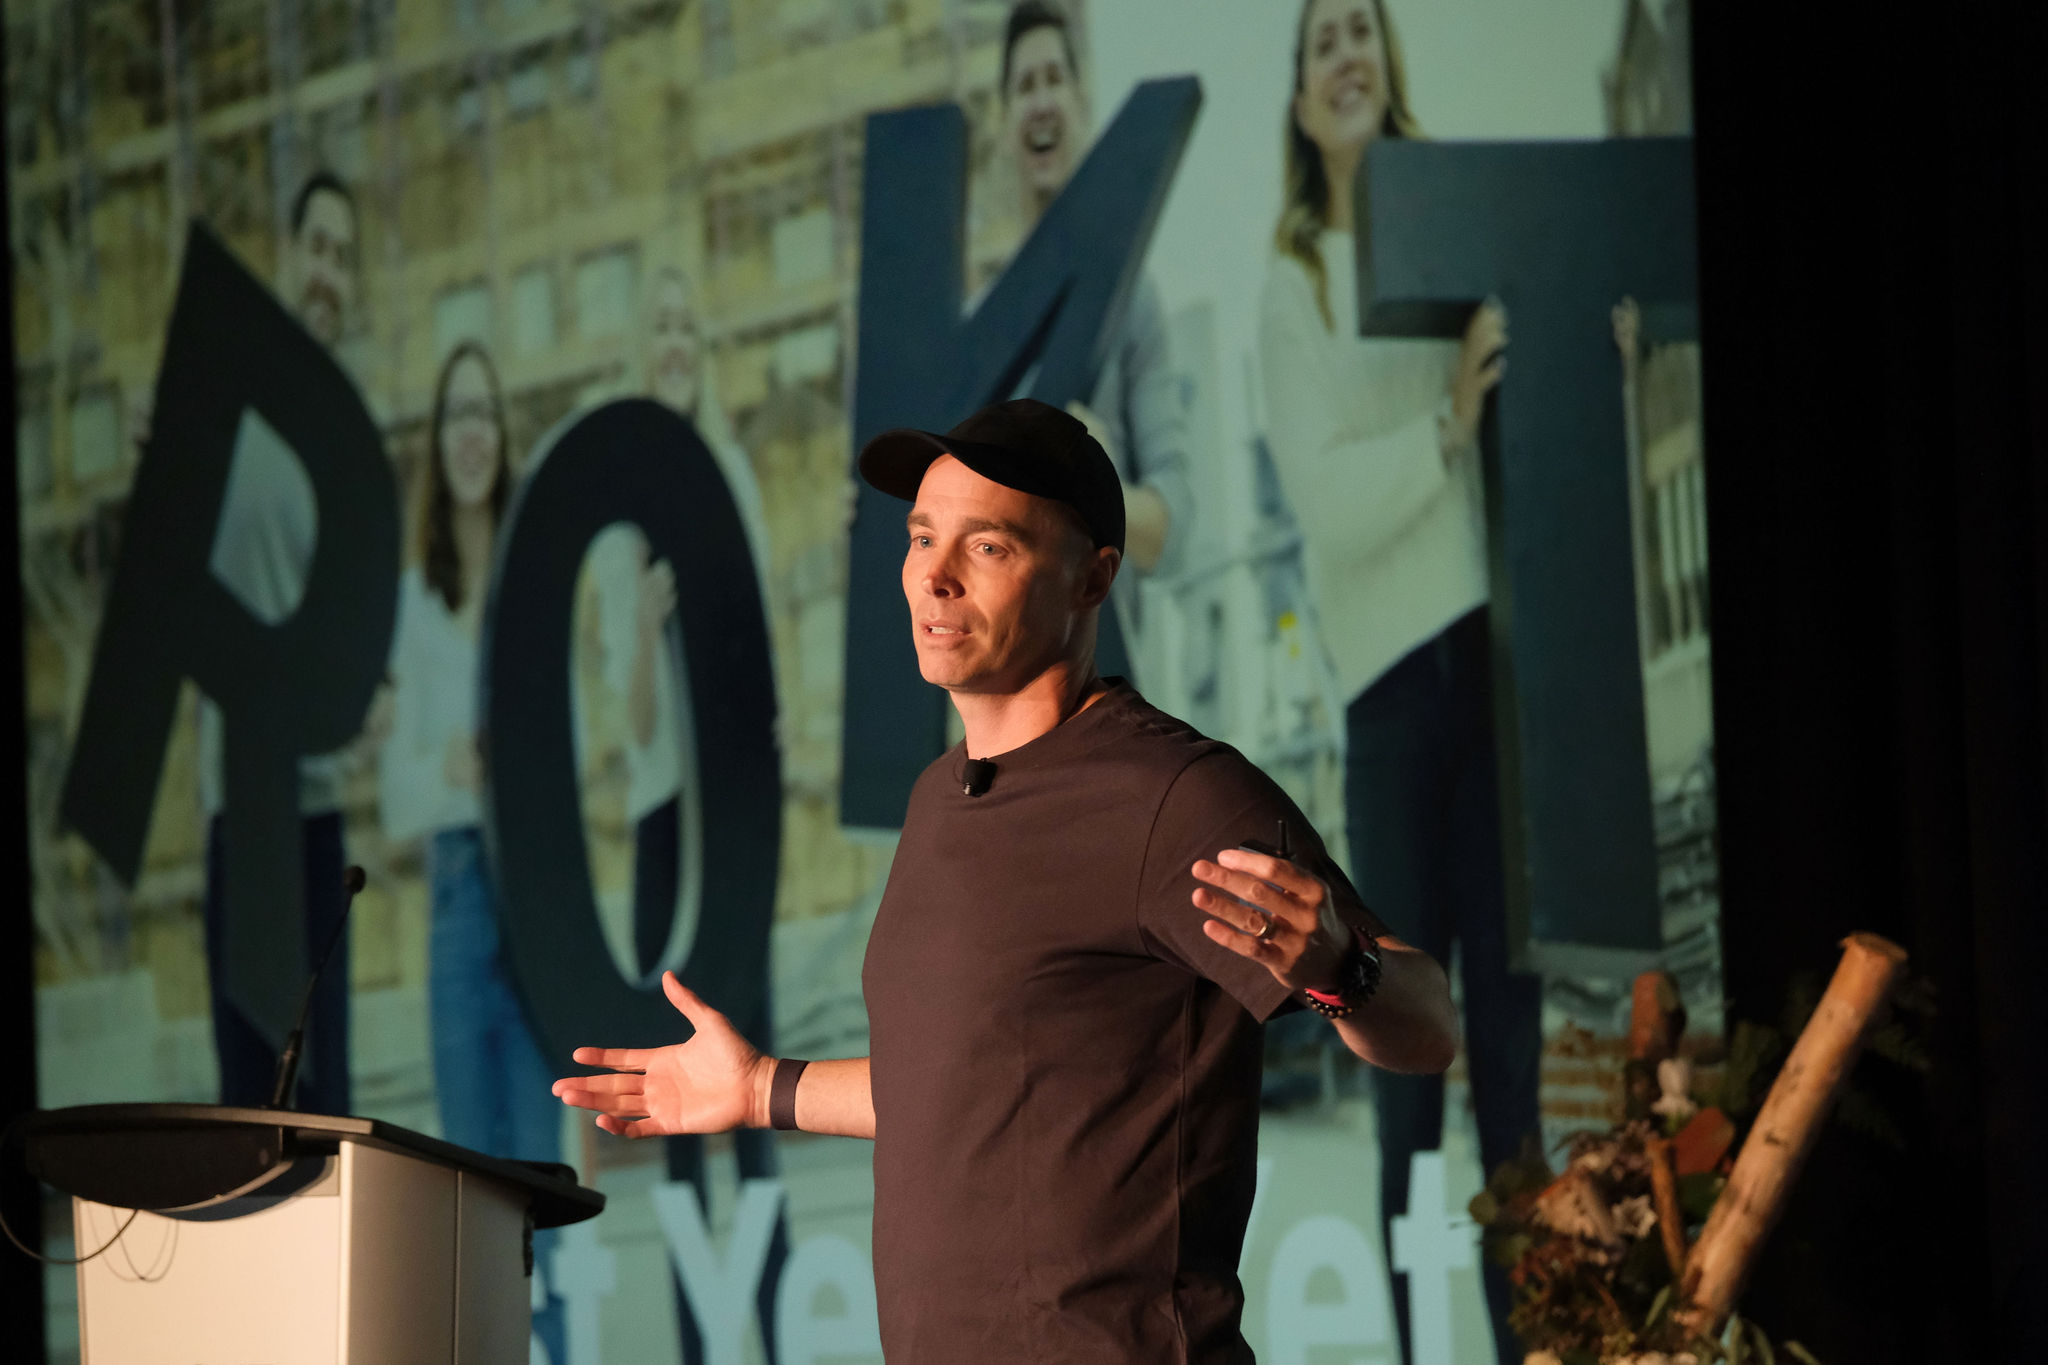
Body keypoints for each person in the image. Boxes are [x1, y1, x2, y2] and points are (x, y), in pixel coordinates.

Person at [554, 398, 1458, 1361]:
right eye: (921, 537)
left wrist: (1341, 969)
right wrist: (761, 1087)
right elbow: (966, 1086)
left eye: (986, 546)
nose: (934, 575)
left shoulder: (1174, 795)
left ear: (1093, 577)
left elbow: (1432, 1024)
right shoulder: (938, 797)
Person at [1255, 3, 1539, 1361]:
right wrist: (1442, 426)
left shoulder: (1451, 227)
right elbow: (1325, 502)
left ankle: (1532, 1345)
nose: (1347, 55)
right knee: (1408, 1087)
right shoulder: (1290, 284)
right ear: (1299, 96)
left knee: (1516, 1081)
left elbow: (1517, 395)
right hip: (1388, 711)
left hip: (1491, 682)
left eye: (1363, 30)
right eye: (1323, 41)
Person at [377, 341, 567, 1363]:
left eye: (485, 412)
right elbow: (393, 800)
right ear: (437, 440)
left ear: (502, 434)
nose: (471, 433)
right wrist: (447, 766)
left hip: (534, 902)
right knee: (469, 1196)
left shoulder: (535, 578)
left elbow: (571, 740)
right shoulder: (416, 599)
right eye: (455, 413)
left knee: (543, 1196)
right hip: (455, 896)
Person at [193, 169, 367, 1115]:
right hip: (242, 809)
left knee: (325, 1100)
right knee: (245, 1101)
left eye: (345, 257)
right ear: (289, 255)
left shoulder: (349, 443)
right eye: (319, 248)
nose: (329, 272)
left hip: (316, 816)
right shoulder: (229, 408)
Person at [994, 1, 1195, 662]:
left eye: (1055, 79)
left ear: (1083, 106)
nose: (1041, 100)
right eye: (1025, 86)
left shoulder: (1133, 301)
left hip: (1104, 681)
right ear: (1004, 123)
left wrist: (1104, 488)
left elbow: (1176, 528)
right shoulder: (982, 333)